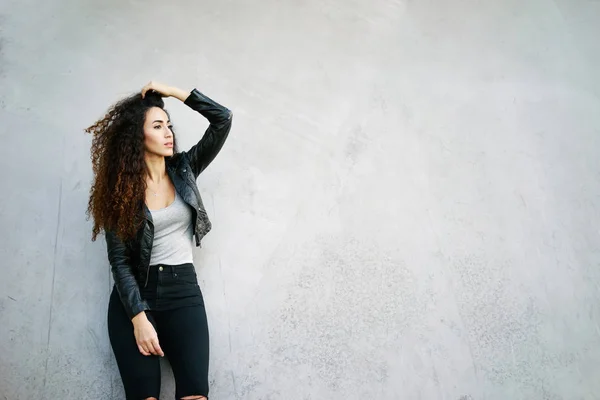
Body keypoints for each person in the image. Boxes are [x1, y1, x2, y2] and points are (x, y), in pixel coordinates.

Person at [85, 81, 233, 400]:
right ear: (138, 136)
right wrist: (139, 318)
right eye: (157, 125)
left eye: (168, 125)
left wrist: (170, 92)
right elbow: (120, 262)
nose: (168, 133)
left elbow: (223, 118)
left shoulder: (184, 169)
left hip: (183, 293)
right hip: (136, 299)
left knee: (195, 396)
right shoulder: (119, 192)